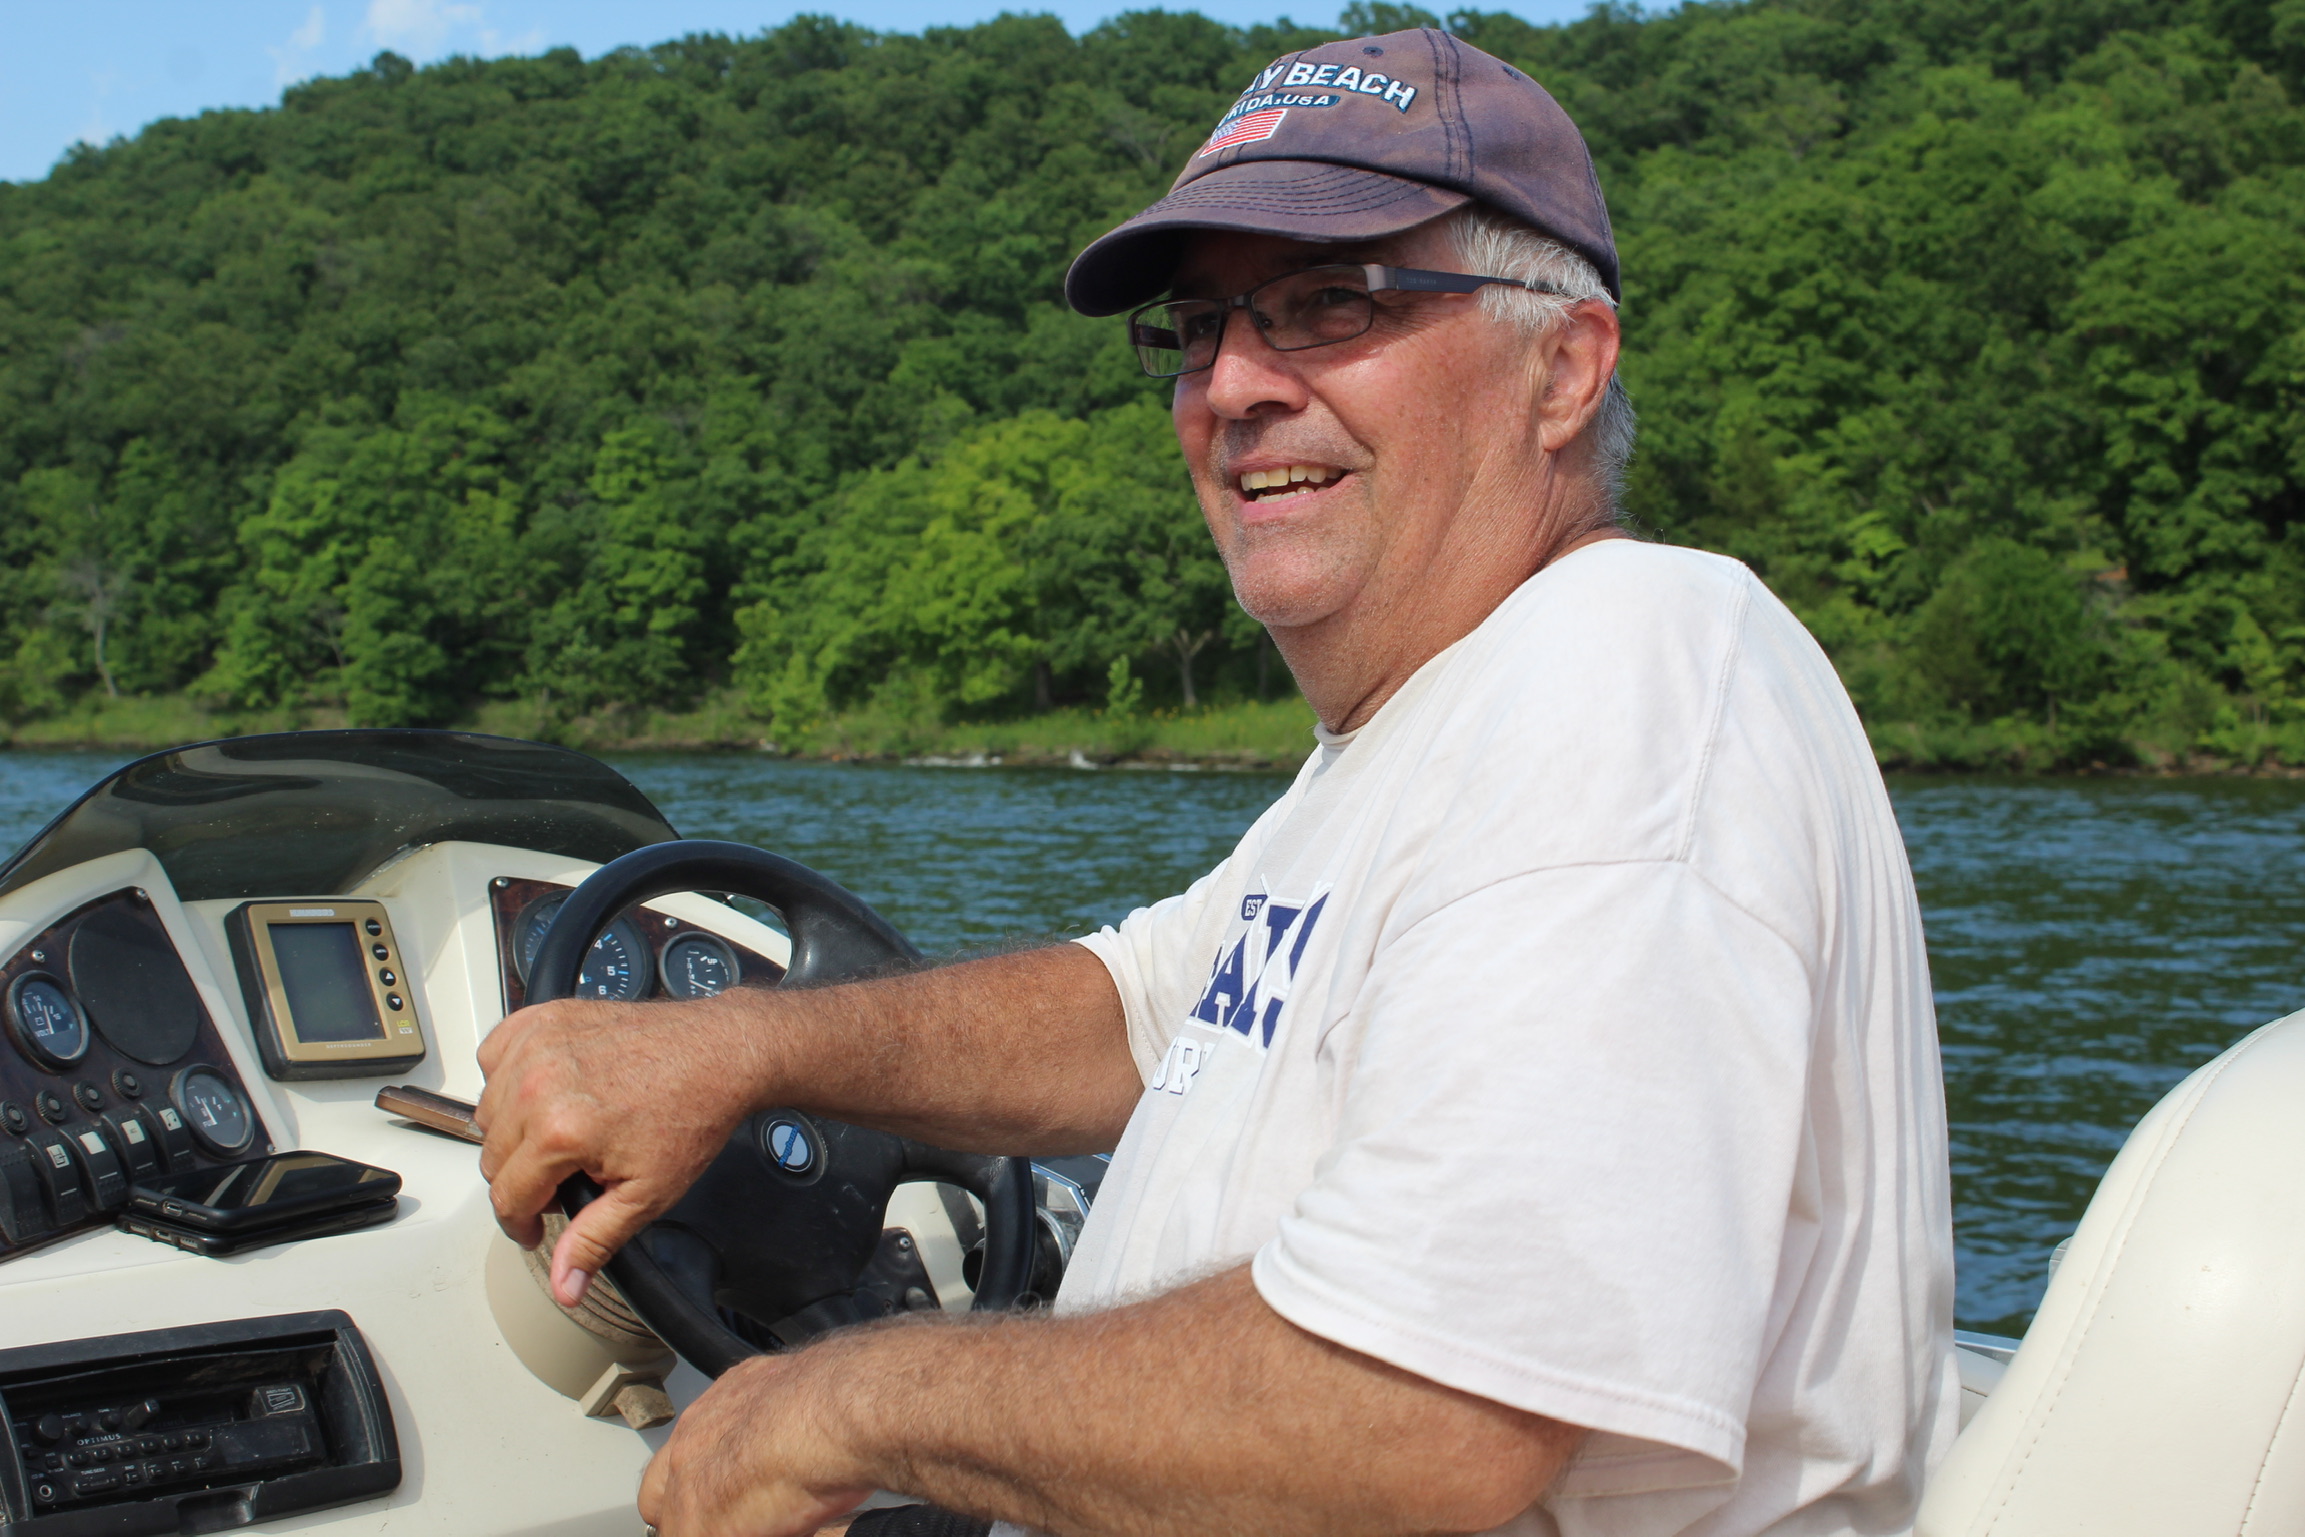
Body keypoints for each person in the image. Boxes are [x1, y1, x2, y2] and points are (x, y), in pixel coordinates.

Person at [477, 26, 1957, 1537]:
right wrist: (732, 1050)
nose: (1234, 384)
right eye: (1199, 327)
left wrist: (839, 1401)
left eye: (1332, 303)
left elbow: (1418, 1418)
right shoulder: (1423, 731)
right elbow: (1140, 1010)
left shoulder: (1628, 676)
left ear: (1561, 368)